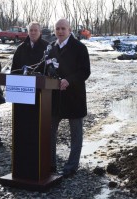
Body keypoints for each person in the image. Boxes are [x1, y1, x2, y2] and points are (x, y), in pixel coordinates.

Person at [48, 19, 91, 178]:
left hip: (74, 95)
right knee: (49, 131)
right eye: (57, 29)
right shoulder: (51, 48)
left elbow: (85, 71)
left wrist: (69, 80)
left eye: (63, 28)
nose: (60, 31)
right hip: (54, 97)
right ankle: (50, 164)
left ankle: (71, 167)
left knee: (76, 134)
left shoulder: (79, 47)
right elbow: (47, 66)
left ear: (69, 29)